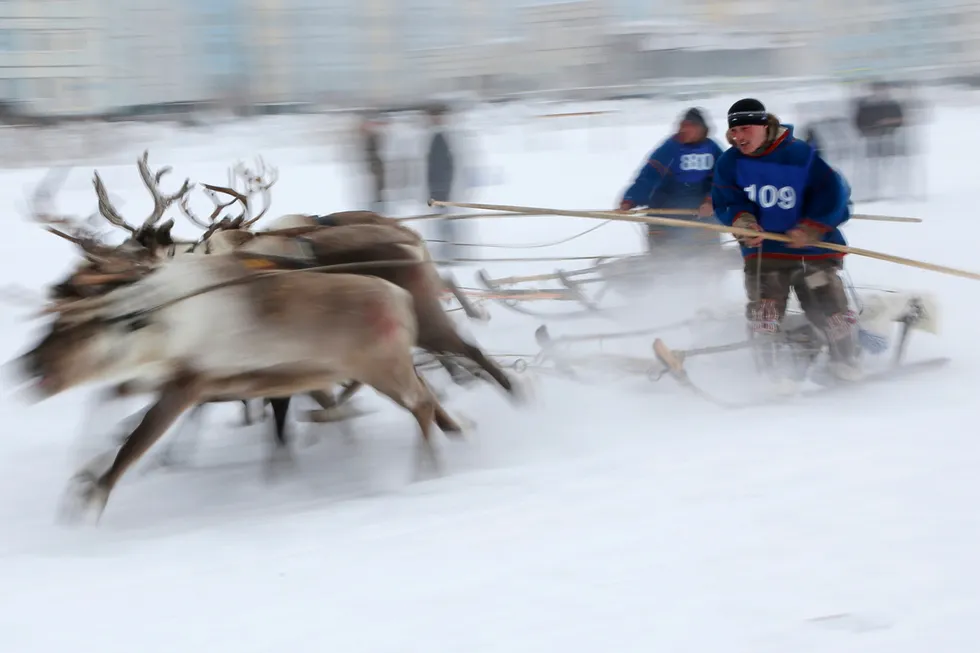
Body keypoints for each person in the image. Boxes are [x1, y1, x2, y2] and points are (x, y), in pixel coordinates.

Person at [711, 98, 861, 385]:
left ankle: (846, 362)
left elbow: (835, 196)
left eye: (744, 129)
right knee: (764, 316)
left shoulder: (800, 155)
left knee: (830, 311)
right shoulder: (729, 163)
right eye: (733, 131)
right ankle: (771, 374)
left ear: (763, 126)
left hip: (814, 253)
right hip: (764, 255)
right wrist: (743, 223)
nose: (737, 137)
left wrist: (812, 227)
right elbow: (727, 201)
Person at [617, 108, 725, 260]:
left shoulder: (713, 149)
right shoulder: (670, 148)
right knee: (665, 261)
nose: (685, 130)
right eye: (683, 126)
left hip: (701, 215)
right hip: (666, 214)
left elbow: (724, 181)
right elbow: (649, 176)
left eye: (690, 126)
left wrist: (710, 202)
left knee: (709, 260)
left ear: (701, 129)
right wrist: (630, 199)